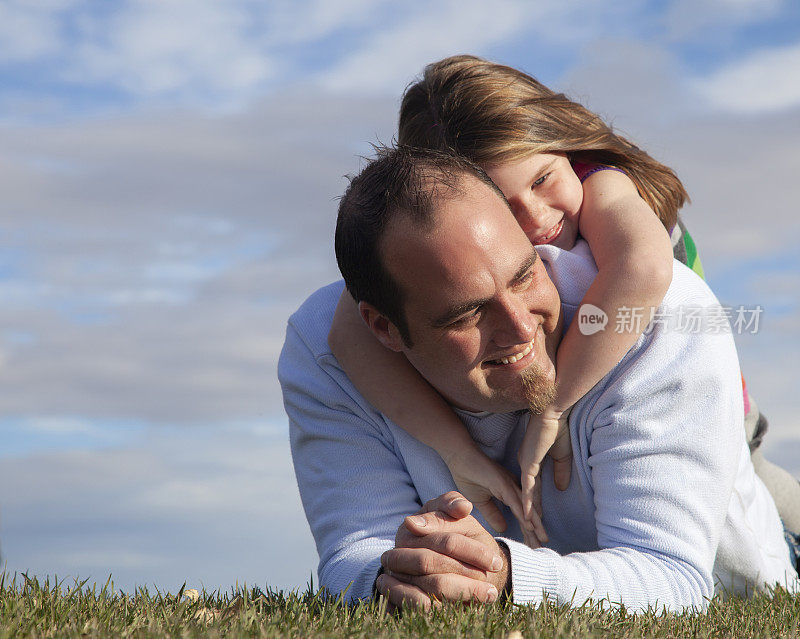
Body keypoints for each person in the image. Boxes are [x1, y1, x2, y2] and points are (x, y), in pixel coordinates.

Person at [279, 145, 798, 612]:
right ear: (383, 328)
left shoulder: (659, 319)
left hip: (749, 575)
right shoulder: (323, 351)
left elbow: (675, 578)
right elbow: (353, 552)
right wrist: (392, 578)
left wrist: (507, 577)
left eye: (525, 274)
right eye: (468, 314)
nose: (522, 327)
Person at [327, 54, 800, 539]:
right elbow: (347, 333)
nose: (534, 217)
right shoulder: (467, 241)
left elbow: (643, 268)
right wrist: (456, 453)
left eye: (541, 180)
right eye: (503, 207)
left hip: (718, 411)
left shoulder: (604, 187)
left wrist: (553, 406)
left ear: (561, 145)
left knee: (774, 511)